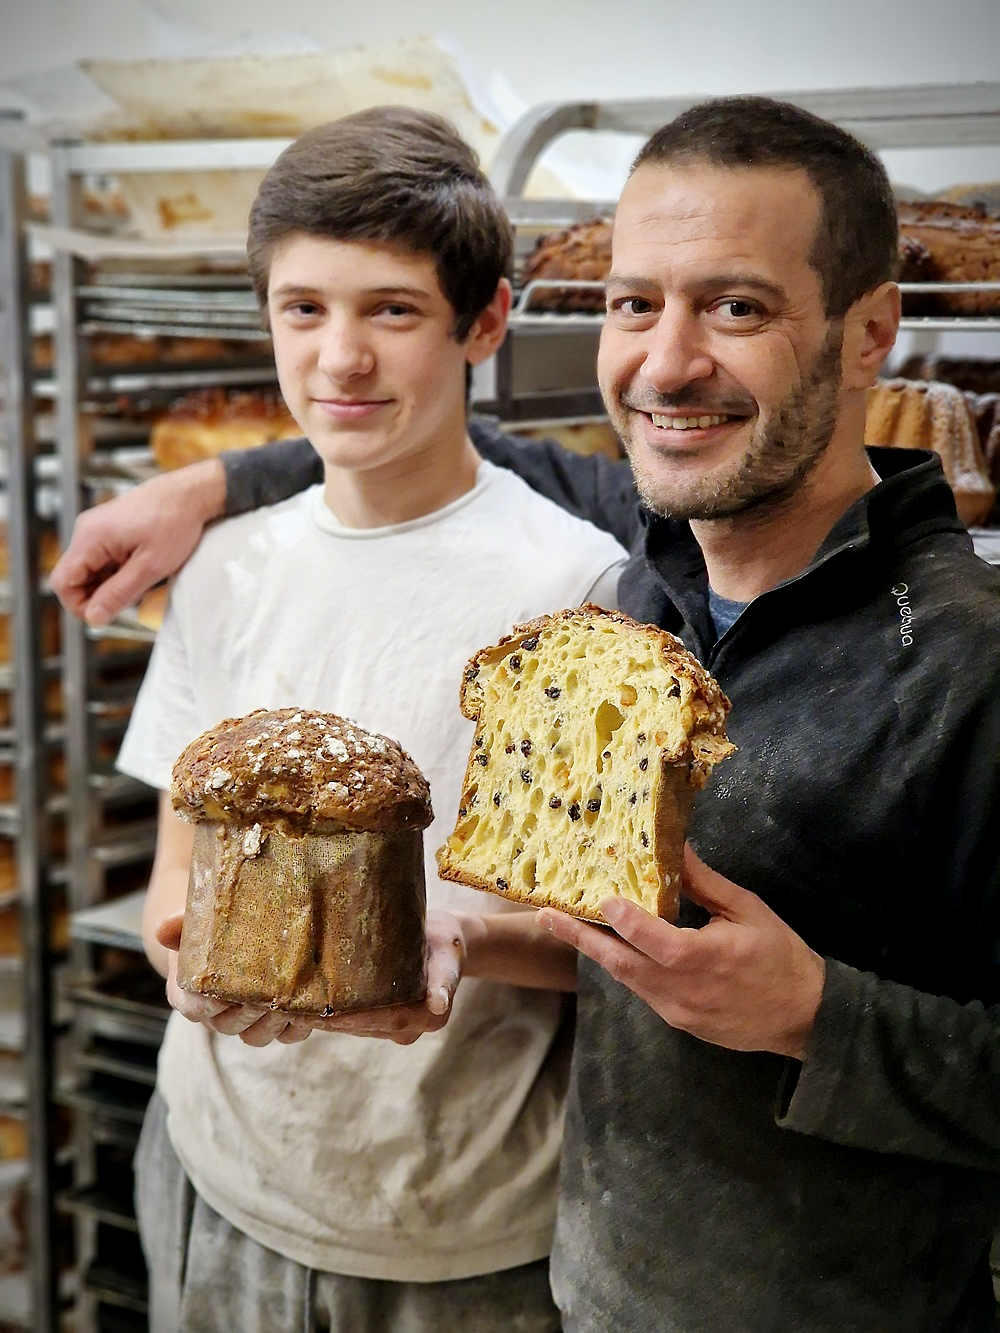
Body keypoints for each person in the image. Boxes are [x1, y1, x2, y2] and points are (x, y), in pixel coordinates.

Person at [51, 95, 1000, 1333]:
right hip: (498, 1253)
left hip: (545, 1250)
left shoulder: (936, 656)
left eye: (738, 305)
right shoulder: (650, 592)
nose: (664, 359)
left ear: (872, 331)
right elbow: (593, 921)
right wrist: (458, 937)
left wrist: (812, 1014)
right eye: (630, 302)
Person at [107, 106, 627, 1333]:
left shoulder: (573, 586)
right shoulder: (225, 567)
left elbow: (596, 940)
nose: (338, 358)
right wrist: (185, 965)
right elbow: (172, 884)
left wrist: (445, 933)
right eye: (303, 309)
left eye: (390, 311)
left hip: (456, 1225)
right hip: (213, 1179)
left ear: (483, 324)